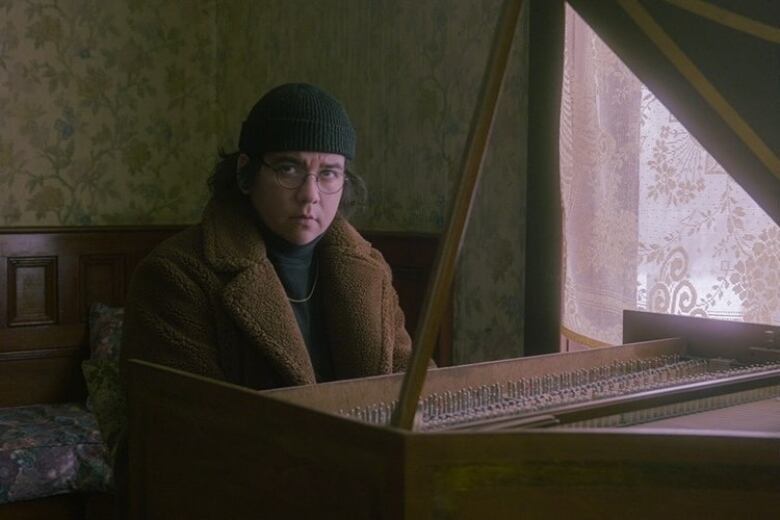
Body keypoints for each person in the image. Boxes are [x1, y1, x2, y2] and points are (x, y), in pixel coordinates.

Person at [120, 82, 412, 390]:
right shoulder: (177, 273)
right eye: (288, 168)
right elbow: (186, 423)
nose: (310, 194)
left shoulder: (370, 269)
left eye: (329, 173)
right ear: (247, 173)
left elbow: (411, 391)